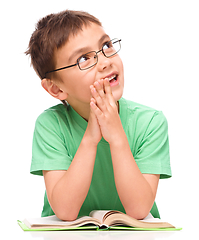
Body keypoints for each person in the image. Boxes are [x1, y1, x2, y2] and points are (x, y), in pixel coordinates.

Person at [26, 10, 172, 221]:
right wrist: (90, 139)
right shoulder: (51, 124)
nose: (105, 62)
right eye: (84, 59)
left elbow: (139, 209)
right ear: (56, 89)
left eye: (106, 46)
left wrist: (116, 136)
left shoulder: (150, 122)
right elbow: (65, 211)